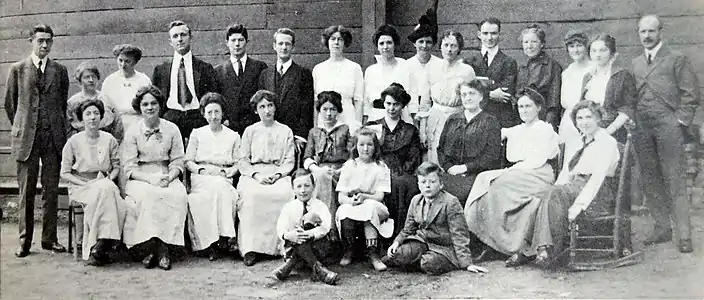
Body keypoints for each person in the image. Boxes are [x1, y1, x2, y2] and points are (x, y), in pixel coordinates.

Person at [464, 88, 559, 266]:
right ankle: (496, 243)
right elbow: (492, 132)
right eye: (521, 107)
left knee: (496, 185)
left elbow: (539, 160)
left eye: (528, 106)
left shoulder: (545, 129)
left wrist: (511, 171)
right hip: (520, 173)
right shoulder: (516, 130)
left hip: (539, 173)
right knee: (483, 180)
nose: (524, 110)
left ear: (539, 107)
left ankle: (510, 244)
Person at [632, 15, 699, 253]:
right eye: (643, 32)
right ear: (638, 34)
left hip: (668, 126)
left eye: (651, 31)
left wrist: (679, 122)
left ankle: (684, 234)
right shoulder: (636, 63)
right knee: (650, 178)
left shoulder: (676, 59)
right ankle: (662, 227)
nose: (647, 36)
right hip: (642, 127)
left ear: (661, 32)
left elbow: (691, 95)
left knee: (675, 179)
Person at [527, 100, 620, 268]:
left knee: (555, 194)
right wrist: (555, 189)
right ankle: (541, 249)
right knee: (544, 195)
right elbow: (566, 174)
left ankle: (546, 250)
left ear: (598, 118)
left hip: (597, 193)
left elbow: (597, 178)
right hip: (575, 188)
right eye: (579, 118)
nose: (584, 122)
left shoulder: (607, 142)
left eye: (589, 117)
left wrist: (578, 206)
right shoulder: (579, 142)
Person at [5, 24, 69, 257]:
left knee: (50, 190)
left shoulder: (59, 71)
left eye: (48, 41)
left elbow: (61, 104)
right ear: (31, 40)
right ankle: (24, 240)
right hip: (26, 140)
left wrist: (52, 126)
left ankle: (49, 239)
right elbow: (11, 105)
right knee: (26, 191)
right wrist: (24, 128)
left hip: (52, 138)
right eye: (40, 40)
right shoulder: (18, 69)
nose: (44, 45)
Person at [122, 85, 188, 271]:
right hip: (140, 177)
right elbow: (129, 167)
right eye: (145, 104)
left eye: (153, 103)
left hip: (166, 173)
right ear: (139, 107)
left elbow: (177, 161)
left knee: (177, 195)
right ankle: (157, 249)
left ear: (160, 105)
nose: (150, 108)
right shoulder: (133, 131)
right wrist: (149, 179)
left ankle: (161, 248)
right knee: (150, 196)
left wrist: (170, 177)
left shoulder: (172, 129)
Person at [383, 162, 487, 275]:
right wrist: (396, 243)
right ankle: (413, 259)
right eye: (423, 182)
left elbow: (459, 234)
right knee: (398, 254)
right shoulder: (416, 200)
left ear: (441, 184)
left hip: (443, 248)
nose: (427, 185)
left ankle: (425, 262)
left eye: (432, 182)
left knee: (428, 263)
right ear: (418, 185)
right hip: (422, 242)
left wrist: (466, 263)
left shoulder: (451, 202)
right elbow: (408, 229)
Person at [60, 99, 126, 266]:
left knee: (106, 188)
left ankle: (99, 244)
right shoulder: (73, 142)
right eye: (88, 114)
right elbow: (65, 173)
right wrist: (83, 184)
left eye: (96, 113)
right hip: (80, 185)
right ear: (81, 119)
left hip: (104, 181)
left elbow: (116, 166)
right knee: (107, 192)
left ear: (101, 117)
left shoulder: (109, 139)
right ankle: (104, 243)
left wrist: (109, 178)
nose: (92, 117)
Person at [237, 90, 296, 266]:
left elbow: (289, 160)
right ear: (256, 110)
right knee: (251, 197)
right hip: (254, 174)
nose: (267, 110)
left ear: (275, 108)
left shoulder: (285, 130)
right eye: (262, 106)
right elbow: (243, 161)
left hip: (278, 173)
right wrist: (256, 175)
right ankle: (251, 249)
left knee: (284, 195)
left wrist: (277, 175)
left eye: (270, 105)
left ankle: (279, 247)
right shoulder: (250, 131)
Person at [185, 93, 241, 261]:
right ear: (203, 114)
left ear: (222, 113)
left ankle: (223, 238)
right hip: (201, 176)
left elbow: (239, 163)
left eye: (217, 112)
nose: (213, 116)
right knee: (205, 196)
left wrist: (229, 172)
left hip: (223, 175)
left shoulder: (233, 135)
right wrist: (200, 170)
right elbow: (188, 160)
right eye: (209, 112)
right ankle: (210, 243)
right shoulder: (197, 133)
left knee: (223, 189)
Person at [366, 84, 423, 236]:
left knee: (404, 183)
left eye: (396, 104)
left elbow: (413, 157)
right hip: (377, 170)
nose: (391, 108)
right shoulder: (373, 127)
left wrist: (400, 172)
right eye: (388, 103)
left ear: (403, 106)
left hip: (400, 172)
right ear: (383, 103)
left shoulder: (410, 130)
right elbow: (366, 153)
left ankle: (401, 234)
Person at [267, 169, 339, 286]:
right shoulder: (289, 207)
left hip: (317, 249)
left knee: (310, 220)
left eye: (307, 186)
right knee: (298, 235)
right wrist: (289, 235)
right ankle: (320, 270)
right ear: (293, 188)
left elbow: (326, 226)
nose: (303, 190)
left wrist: (311, 234)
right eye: (299, 186)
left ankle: (288, 266)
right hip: (293, 246)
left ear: (314, 186)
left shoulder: (320, 206)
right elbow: (281, 227)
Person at [336, 127, 394, 271]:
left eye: (370, 144)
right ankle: (349, 249)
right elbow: (341, 196)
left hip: (376, 205)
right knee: (344, 209)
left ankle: (373, 253)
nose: (366, 148)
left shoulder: (381, 167)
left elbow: (379, 197)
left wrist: (364, 197)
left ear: (375, 147)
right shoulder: (349, 165)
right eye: (362, 144)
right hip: (354, 203)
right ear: (356, 146)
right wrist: (351, 201)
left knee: (369, 207)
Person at [436, 80, 502, 206]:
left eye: (472, 93)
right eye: (464, 94)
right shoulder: (453, 119)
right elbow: (441, 149)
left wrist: (465, 168)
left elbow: (492, 155)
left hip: (477, 175)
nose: (468, 98)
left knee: (460, 194)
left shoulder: (490, 121)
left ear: (481, 96)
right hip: (451, 173)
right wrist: (449, 167)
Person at [152, 20, 219, 139]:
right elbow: (156, 98)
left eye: (183, 35)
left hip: (196, 117)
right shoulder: (161, 70)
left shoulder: (204, 68)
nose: (179, 39)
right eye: (175, 36)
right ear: (170, 42)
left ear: (190, 37)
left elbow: (213, 96)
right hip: (171, 117)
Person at [303, 91, 353, 239]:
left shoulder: (346, 130)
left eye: (333, 109)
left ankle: (326, 229)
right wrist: (317, 169)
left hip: (342, 171)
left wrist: (342, 170)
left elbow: (352, 157)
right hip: (319, 170)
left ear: (338, 111)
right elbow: (307, 157)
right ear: (319, 111)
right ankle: (327, 230)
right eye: (325, 109)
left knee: (326, 178)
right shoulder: (314, 132)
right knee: (322, 177)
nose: (329, 114)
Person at [423, 30, 476, 163]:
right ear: (440, 46)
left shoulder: (466, 70)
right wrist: (422, 129)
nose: (449, 49)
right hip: (435, 117)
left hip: (457, 118)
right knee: (434, 156)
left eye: (453, 46)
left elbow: (473, 100)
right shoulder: (431, 68)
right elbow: (424, 101)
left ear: (459, 48)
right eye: (446, 45)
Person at [258, 28, 315, 139]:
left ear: (293, 47)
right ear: (274, 46)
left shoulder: (304, 74)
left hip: (293, 136)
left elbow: (307, 109)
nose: (284, 47)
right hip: (269, 135)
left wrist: (300, 137)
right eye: (280, 44)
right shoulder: (265, 74)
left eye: (287, 44)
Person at [464, 18, 519, 128]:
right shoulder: (469, 61)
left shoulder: (509, 62)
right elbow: (466, 89)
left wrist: (480, 87)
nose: (489, 38)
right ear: (479, 34)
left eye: (493, 33)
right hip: (475, 116)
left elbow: (506, 91)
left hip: (500, 117)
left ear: (500, 35)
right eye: (485, 33)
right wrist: (489, 94)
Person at [214, 24, 268, 135]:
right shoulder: (218, 71)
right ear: (227, 43)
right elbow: (217, 100)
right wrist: (224, 120)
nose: (237, 44)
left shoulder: (259, 67)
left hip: (254, 128)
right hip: (228, 128)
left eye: (241, 40)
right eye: (233, 40)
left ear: (247, 42)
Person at [312, 25, 364, 130]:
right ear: (327, 42)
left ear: (344, 43)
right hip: (324, 121)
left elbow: (359, 100)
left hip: (347, 119)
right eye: (333, 39)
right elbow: (315, 101)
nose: (336, 42)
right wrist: (316, 127)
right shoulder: (318, 69)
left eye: (340, 39)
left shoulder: (354, 68)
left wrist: (357, 125)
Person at [516, 24, 563, 131]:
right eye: (526, 42)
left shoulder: (552, 66)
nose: (529, 46)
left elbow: (553, 100)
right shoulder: (522, 66)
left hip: (543, 118)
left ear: (542, 44)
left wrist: (548, 124)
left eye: (534, 42)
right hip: (524, 119)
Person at [364, 24, 412, 124]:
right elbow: (366, 102)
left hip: (401, 117)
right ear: (377, 46)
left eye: (389, 43)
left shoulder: (405, 66)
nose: (385, 47)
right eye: (381, 43)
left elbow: (413, 99)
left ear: (395, 44)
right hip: (377, 117)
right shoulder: (371, 71)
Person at [406, 1, 443, 127]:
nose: (424, 46)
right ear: (414, 43)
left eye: (428, 42)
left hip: (434, 113)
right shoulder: (406, 65)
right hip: (411, 114)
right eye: (420, 41)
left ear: (433, 44)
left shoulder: (440, 65)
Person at [101, 44, 151, 135]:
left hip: (138, 122)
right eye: (120, 60)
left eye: (127, 61)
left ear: (135, 62)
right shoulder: (109, 81)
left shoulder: (144, 80)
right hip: (115, 124)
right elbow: (105, 107)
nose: (123, 65)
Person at [66, 62, 121, 140]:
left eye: (94, 77)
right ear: (80, 80)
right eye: (87, 77)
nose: (91, 80)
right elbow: (67, 128)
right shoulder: (72, 102)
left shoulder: (106, 99)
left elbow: (117, 124)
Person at [558, 31, 592, 157]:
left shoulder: (593, 69)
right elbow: (564, 101)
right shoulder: (567, 72)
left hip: (587, 118)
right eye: (572, 46)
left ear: (586, 47)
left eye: (579, 46)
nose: (576, 50)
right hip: (569, 121)